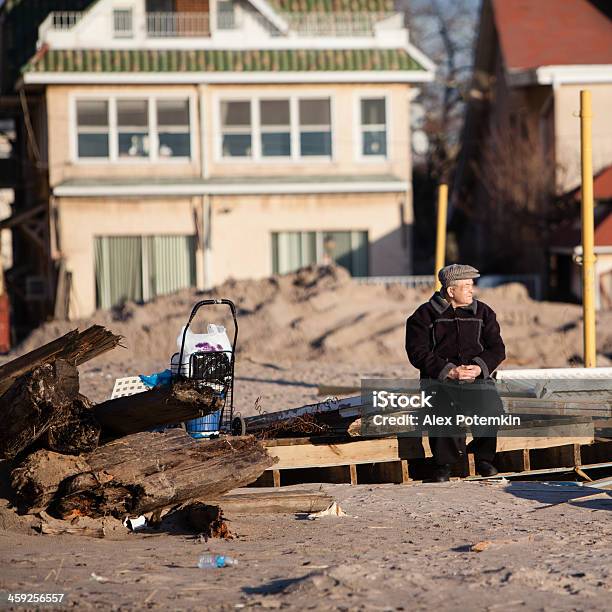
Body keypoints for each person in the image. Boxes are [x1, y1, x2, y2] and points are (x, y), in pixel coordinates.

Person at [405, 264, 506, 482]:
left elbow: (497, 349)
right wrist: (448, 372)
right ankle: (444, 464)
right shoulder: (423, 315)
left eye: (472, 286)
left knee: (491, 406)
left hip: (476, 379)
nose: (472, 290)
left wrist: (479, 368)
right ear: (451, 291)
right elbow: (417, 352)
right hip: (439, 380)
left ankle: (483, 459)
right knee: (442, 411)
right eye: (467, 286)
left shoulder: (484, 312)